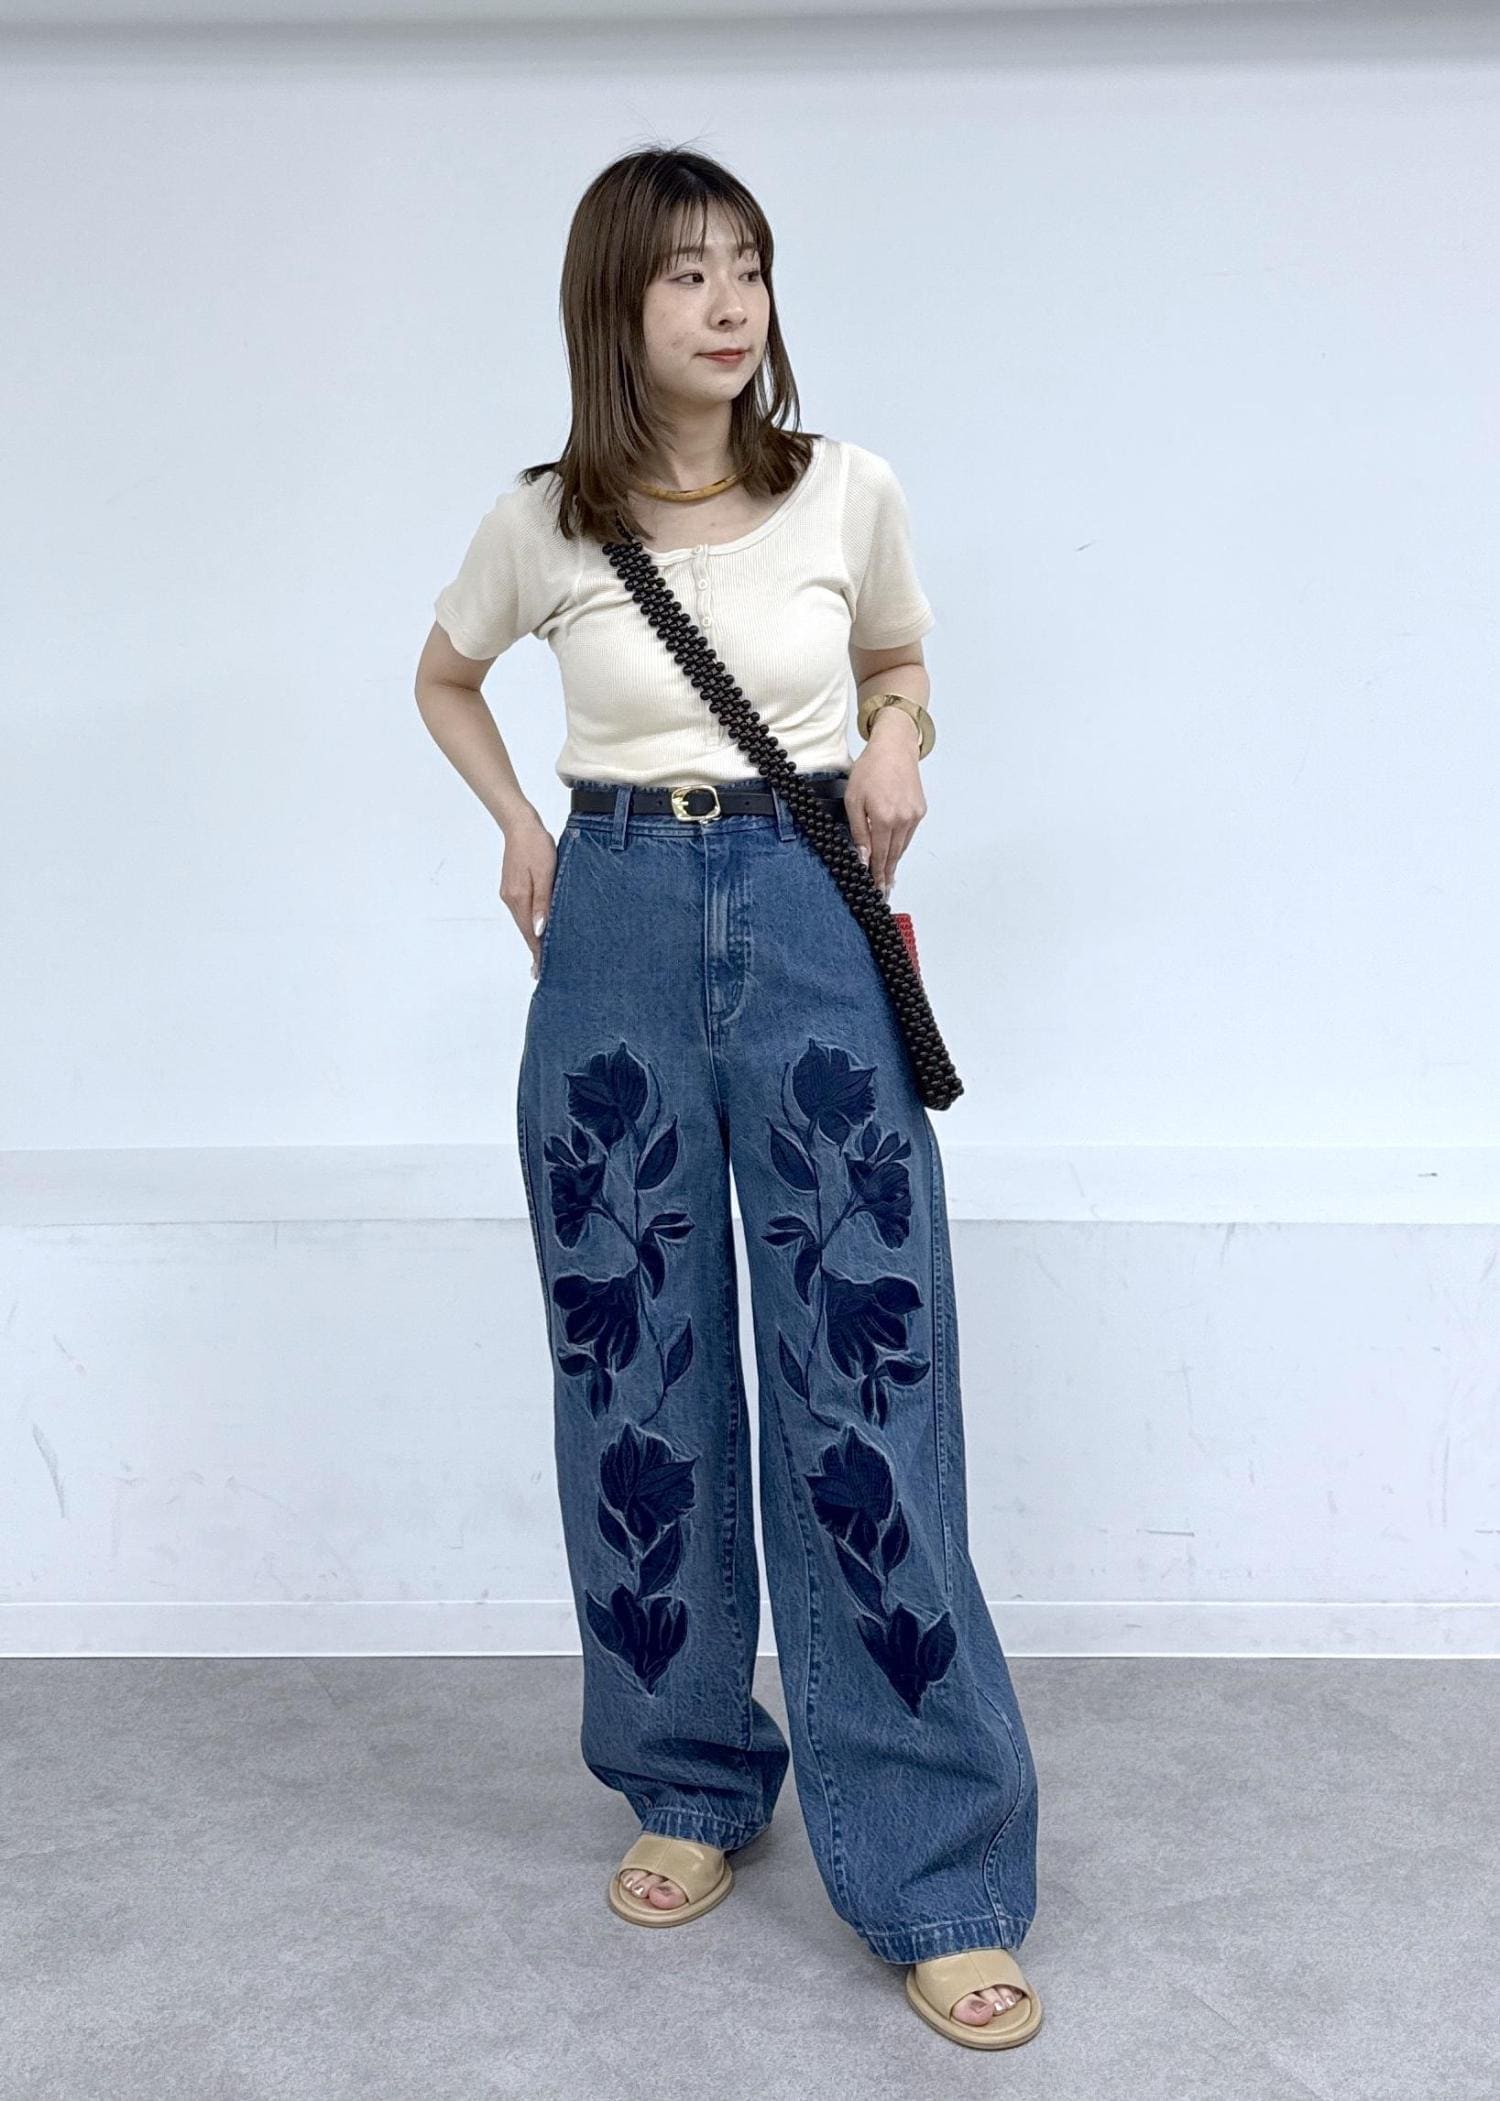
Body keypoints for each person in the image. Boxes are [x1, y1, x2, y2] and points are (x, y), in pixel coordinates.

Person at [413, 144, 1042, 2052]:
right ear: (616, 302)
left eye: (749, 265)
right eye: (687, 270)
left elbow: (898, 657)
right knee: (634, 1370)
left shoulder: (846, 486)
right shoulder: (544, 520)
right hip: (609, 915)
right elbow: (444, 676)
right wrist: (519, 826)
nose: (727, 300)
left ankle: (938, 1869)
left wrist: (900, 741)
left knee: (867, 1371)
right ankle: (687, 1773)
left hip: (802, 898)